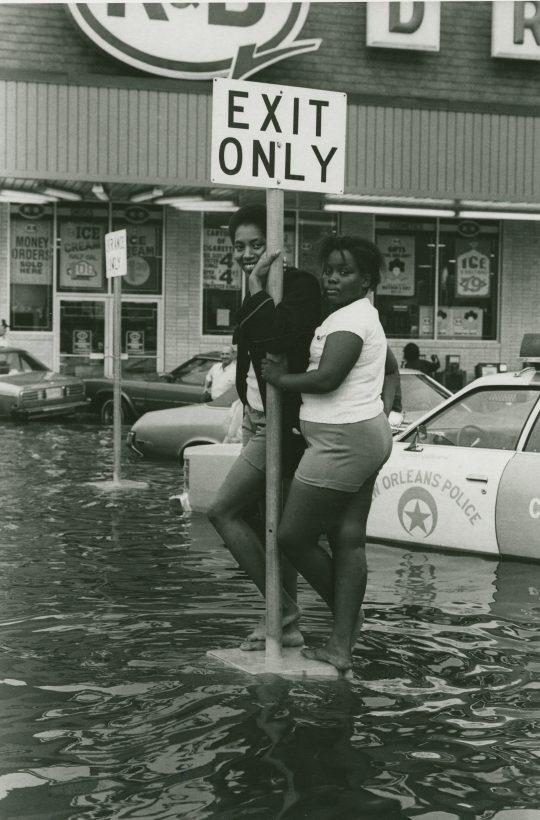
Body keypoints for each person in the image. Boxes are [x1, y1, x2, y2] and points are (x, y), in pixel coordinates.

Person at [261, 235, 393, 673]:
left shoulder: (351, 321)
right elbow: (389, 371)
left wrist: (281, 378)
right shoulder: (357, 316)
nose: (333, 278)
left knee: (292, 536)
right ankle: (341, 645)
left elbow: (328, 378)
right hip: (363, 436)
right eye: (330, 269)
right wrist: (378, 410)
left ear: (367, 280)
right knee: (349, 540)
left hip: (342, 443)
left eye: (345, 271)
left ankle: (347, 620)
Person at [207, 204, 322, 651]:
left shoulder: (301, 286)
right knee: (270, 520)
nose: (247, 253)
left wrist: (257, 286)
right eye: (239, 246)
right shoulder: (256, 287)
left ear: (278, 246)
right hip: (258, 417)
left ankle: (283, 607)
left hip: (284, 421)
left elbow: (279, 340)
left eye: (257, 245)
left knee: (223, 511)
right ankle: (286, 620)